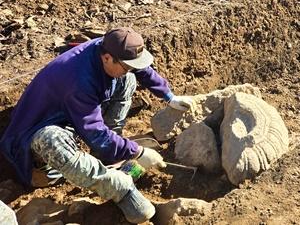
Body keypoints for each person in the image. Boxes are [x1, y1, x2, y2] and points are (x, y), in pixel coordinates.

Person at [0, 27, 196, 223]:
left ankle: (108, 155)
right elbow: (96, 134)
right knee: (52, 140)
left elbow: (138, 67)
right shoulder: (78, 81)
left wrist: (169, 96)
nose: (130, 69)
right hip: (34, 149)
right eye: (127, 65)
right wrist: (137, 152)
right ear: (107, 58)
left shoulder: (110, 47)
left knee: (126, 80)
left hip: (69, 119)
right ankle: (120, 189)